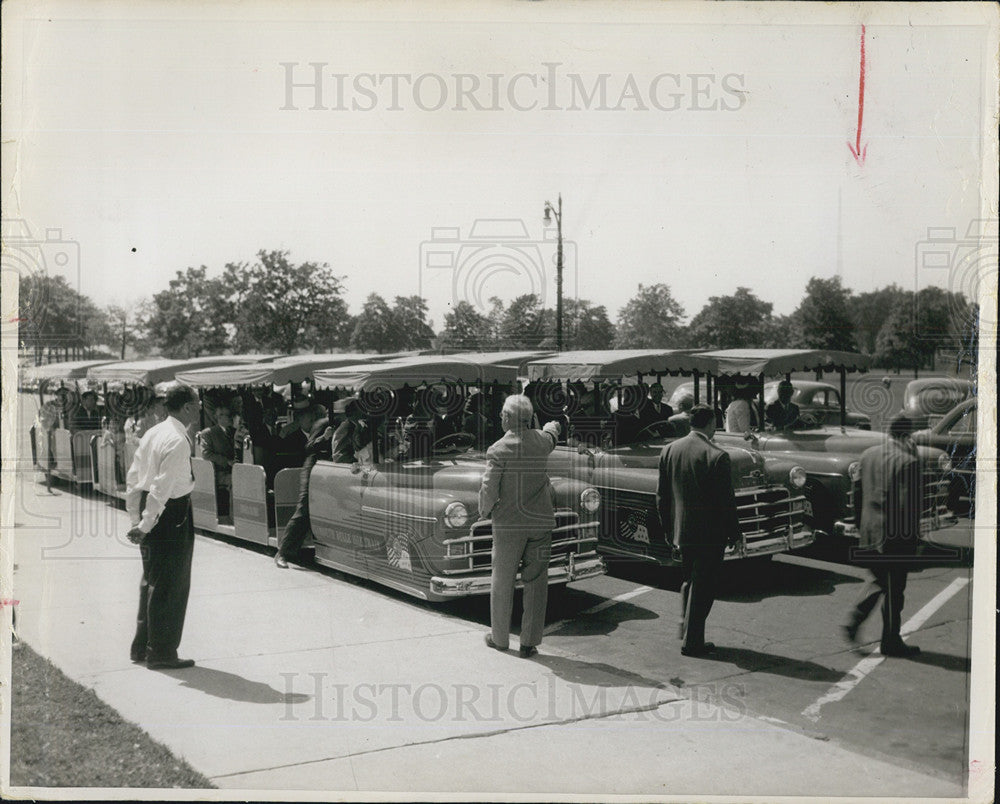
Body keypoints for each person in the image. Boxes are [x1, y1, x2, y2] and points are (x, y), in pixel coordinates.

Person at [124, 384, 201, 670]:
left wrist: (137, 518)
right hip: (171, 513)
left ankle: (143, 646)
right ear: (187, 407)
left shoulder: (153, 433)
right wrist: (145, 523)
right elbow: (162, 487)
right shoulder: (178, 440)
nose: (199, 407)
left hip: (152, 509)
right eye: (197, 402)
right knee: (172, 583)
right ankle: (162, 652)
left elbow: (134, 479)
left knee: (152, 580)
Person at [479, 395, 561, 658]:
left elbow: (488, 489)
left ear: (506, 418)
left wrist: (484, 511)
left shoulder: (498, 450)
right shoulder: (541, 442)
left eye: (503, 415)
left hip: (509, 526)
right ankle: (529, 642)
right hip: (540, 522)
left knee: (502, 580)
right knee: (537, 582)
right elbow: (552, 434)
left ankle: (500, 638)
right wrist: (551, 426)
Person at [656, 404, 740, 657]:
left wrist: (669, 530)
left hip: (682, 531)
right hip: (709, 535)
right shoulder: (717, 455)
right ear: (711, 423)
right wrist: (735, 533)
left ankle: (686, 625)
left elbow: (662, 497)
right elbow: (726, 502)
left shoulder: (669, 450)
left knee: (691, 580)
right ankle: (692, 641)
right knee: (704, 587)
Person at [842, 414, 924, 657]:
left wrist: (860, 525)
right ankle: (889, 639)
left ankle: (861, 624)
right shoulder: (908, 462)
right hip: (894, 537)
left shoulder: (869, 455)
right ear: (908, 435)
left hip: (869, 531)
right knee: (894, 589)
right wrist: (915, 540)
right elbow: (907, 507)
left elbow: (856, 493)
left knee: (881, 580)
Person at [275, 402, 333, 568]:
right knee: (304, 509)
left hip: (327, 470)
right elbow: (308, 447)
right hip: (313, 469)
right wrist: (325, 438)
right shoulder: (322, 424)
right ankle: (283, 552)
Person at [198, 403, 236, 517]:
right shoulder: (208, 433)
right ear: (219, 417)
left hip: (234, 470)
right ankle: (232, 517)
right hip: (218, 473)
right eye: (228, 415)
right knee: (236, 482)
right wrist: (227, 461)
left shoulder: (234, 432)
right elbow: (206, 454)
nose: (231, 418)